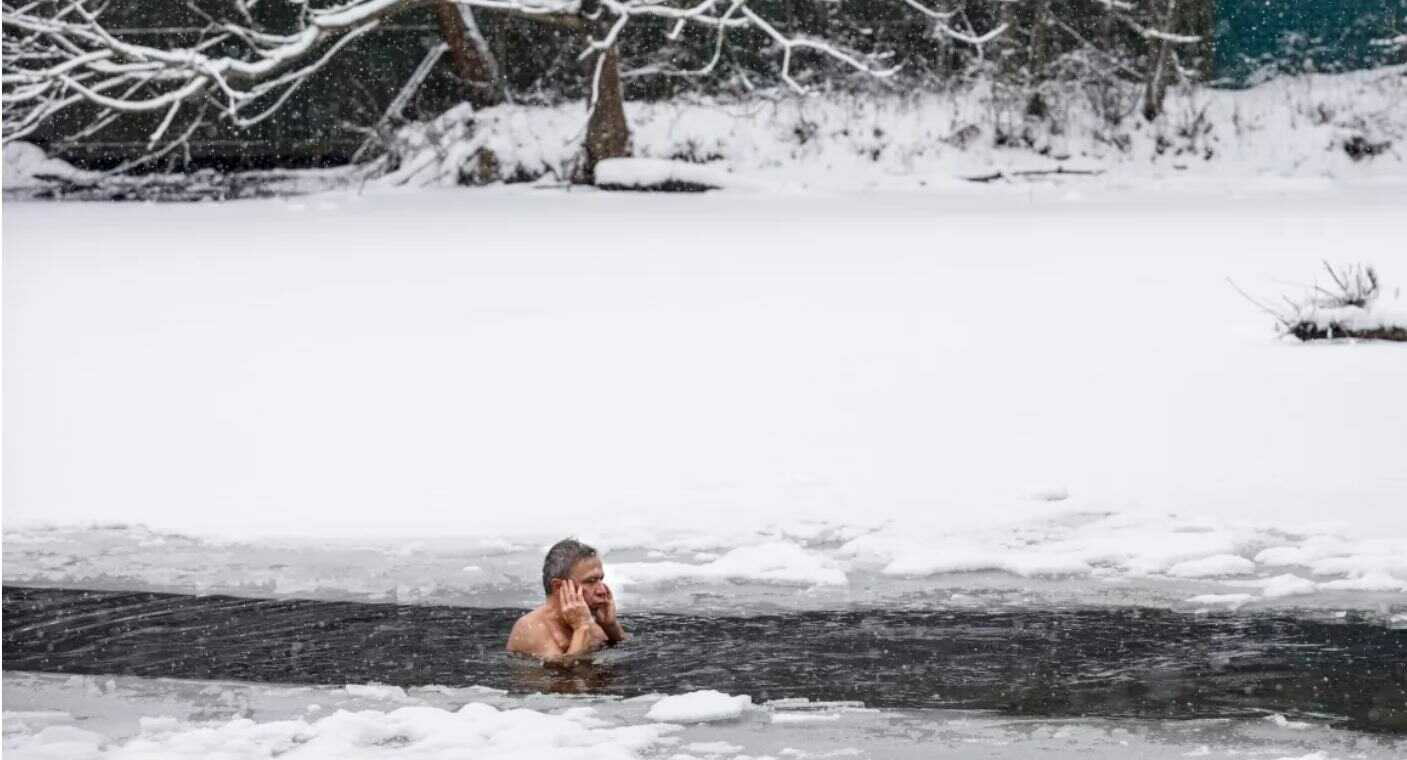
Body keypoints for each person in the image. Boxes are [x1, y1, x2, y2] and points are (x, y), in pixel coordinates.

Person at [507, 538, 626, 665]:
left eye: (600, 579)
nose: (602, 590)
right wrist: (581, 628)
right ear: (559, 587)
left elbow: (626, 653)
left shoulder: (590, 621)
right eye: (590, 581)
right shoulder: (530, 628)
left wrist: (611, 627)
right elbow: (566, 679)